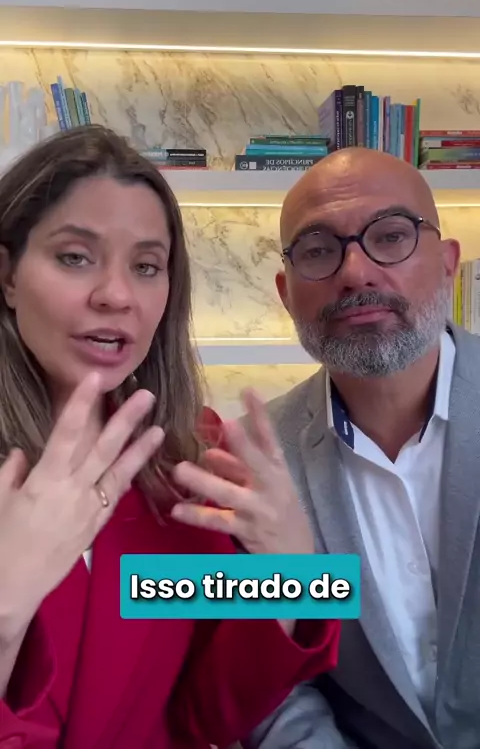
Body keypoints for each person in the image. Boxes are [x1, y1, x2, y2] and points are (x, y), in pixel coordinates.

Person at [0, 125, 340, 749]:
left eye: (146, 266)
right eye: (75, 257)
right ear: (8, 275)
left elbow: (208, 713)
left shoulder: (190, 458)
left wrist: (298, 572)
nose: (116, 295)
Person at [243, 147, 480, 749]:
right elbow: (270, 681)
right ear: (285, 292)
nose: (355, 272)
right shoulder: (250, 462)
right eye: (318, 249)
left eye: (391, 236)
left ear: (448, 264)